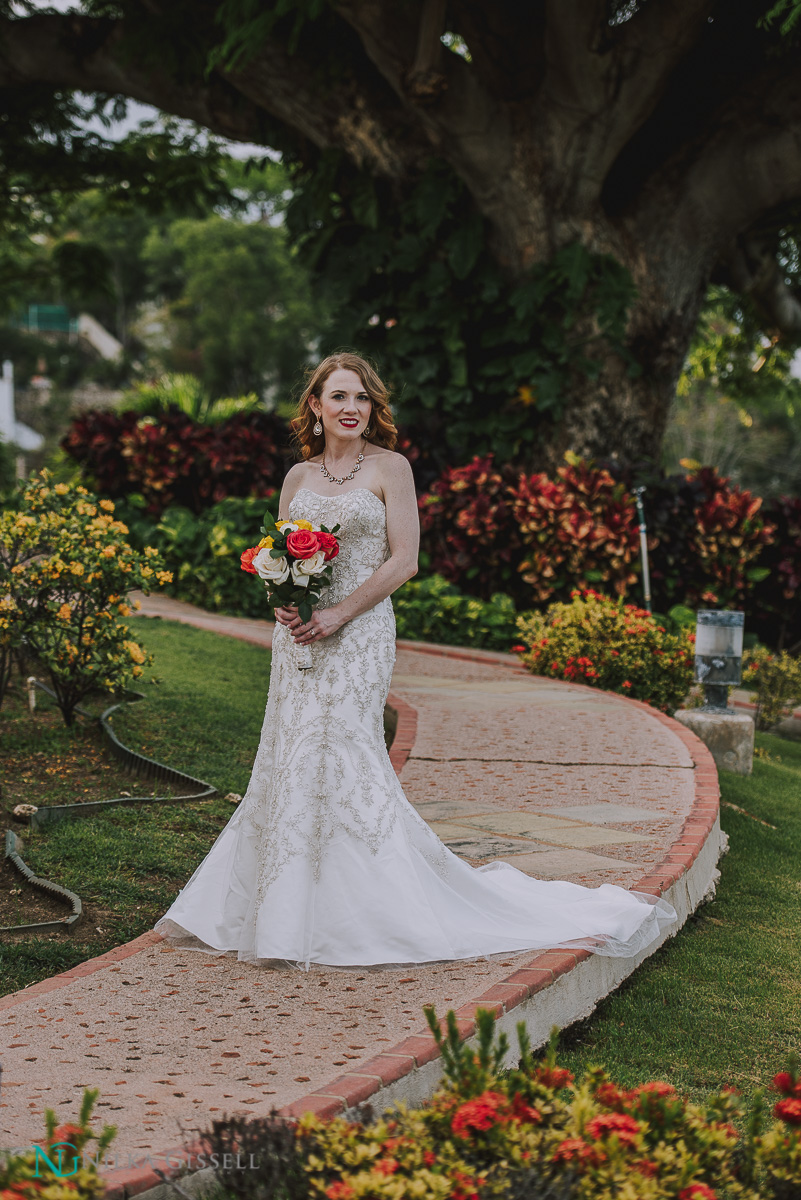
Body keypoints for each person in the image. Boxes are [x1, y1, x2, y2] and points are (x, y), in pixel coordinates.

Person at [153, 352, 676, 970]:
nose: (352, 409)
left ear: (373, 409)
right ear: (315, 407)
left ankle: (372, 909)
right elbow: (280, 560)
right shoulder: (297, 478)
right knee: (291, 756)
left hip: (360, 631)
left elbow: (404, 561)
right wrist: (286, 609)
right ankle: (287, 909)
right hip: (299, 642)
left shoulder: (390, 468)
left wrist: (338, 614)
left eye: (362, 399)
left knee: (345, 749)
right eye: (339, 397)